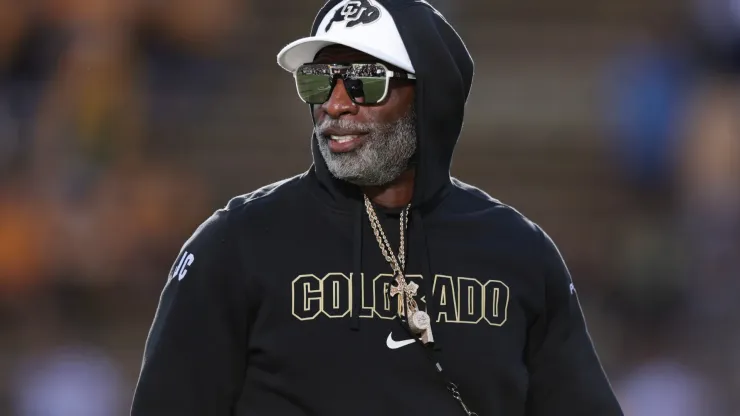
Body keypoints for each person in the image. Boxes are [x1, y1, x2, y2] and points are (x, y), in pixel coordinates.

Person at [131, 1, 624, 415]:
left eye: (366, 81)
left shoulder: (520, 254)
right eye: (319, 81)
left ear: (429, 93)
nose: (336, 104)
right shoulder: (235, 243)